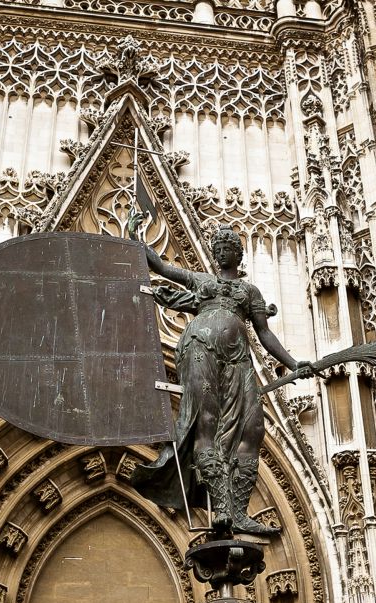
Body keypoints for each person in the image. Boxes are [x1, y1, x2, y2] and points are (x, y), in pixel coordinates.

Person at [128, 214, 314, 534]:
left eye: (228, 246)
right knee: (207, 423)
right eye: (218, 247)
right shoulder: (204, 282)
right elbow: (162, 268)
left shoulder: (249, 292)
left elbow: (265, 334)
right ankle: (223, 509)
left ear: (238, 254)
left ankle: (238, 511)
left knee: (253, 427)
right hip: (200, 347)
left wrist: (294, 363)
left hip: (238, 357)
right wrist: (135, 237)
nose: (222, 251)